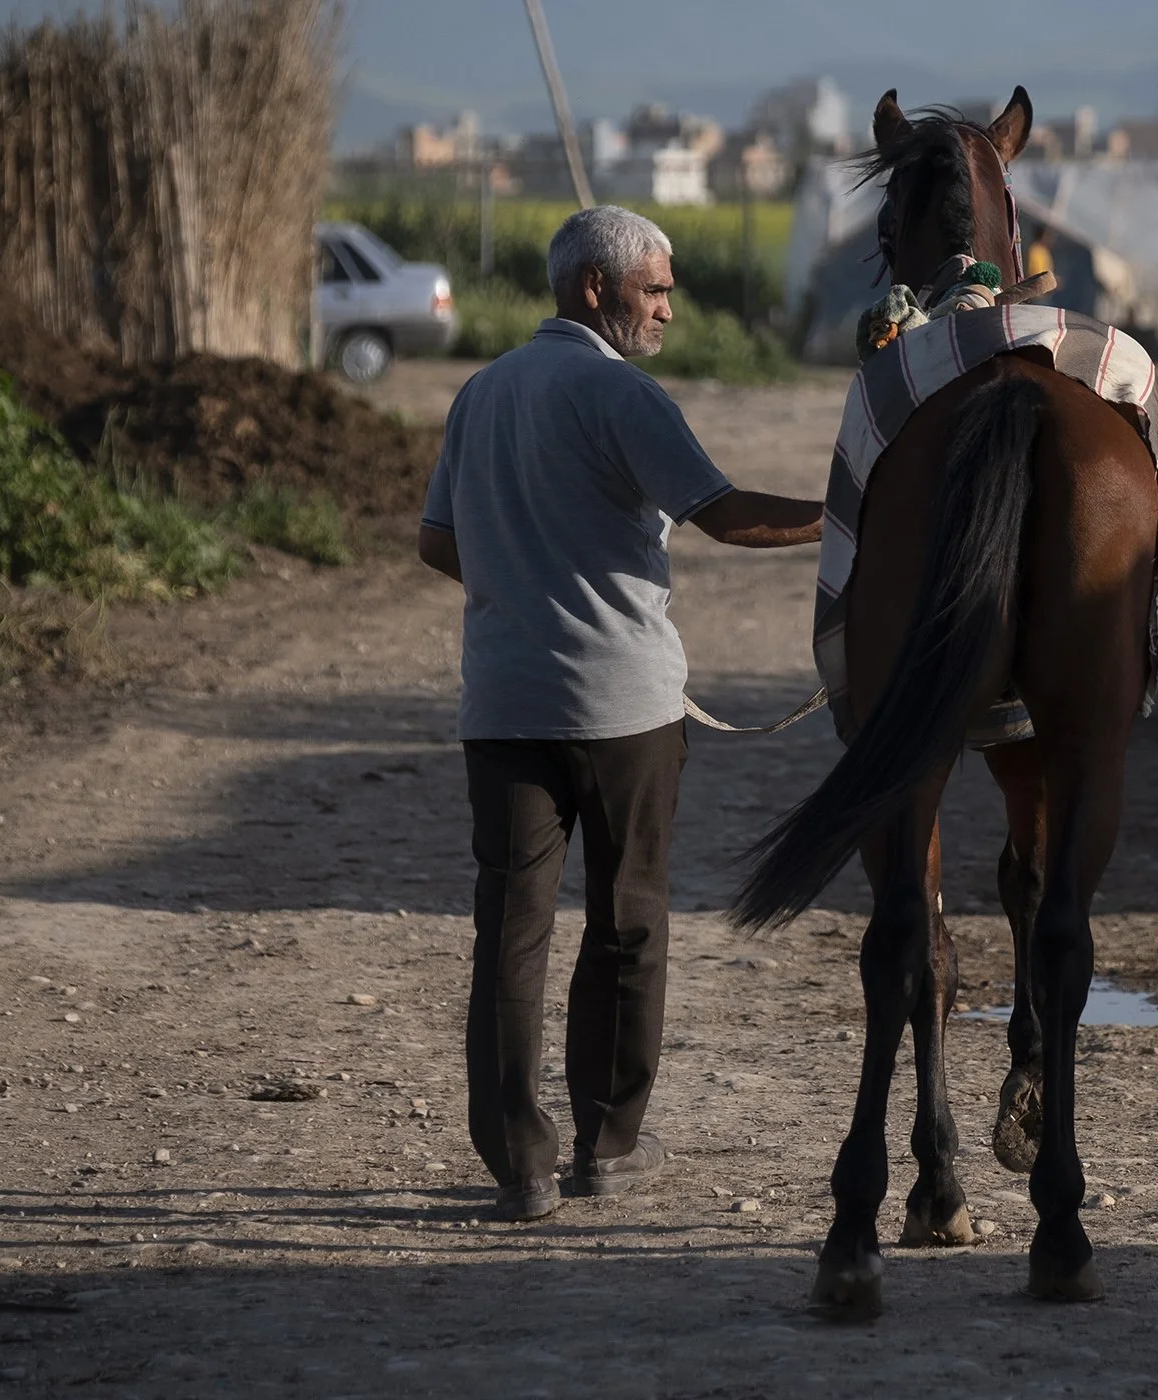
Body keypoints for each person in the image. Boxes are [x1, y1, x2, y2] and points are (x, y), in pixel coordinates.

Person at [417, 205, 823, 1222]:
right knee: (627, 923)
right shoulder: (619, 393)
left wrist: (521, 586)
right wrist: (854, 513)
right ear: (594, 288)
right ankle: (607, 1143)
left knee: (509, 934)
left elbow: (436, 540)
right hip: (622, 712)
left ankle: (520, 1167)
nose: (668, 309)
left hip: (502, 706)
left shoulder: (481, 391)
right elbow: (726, 516)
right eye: (655, 288)